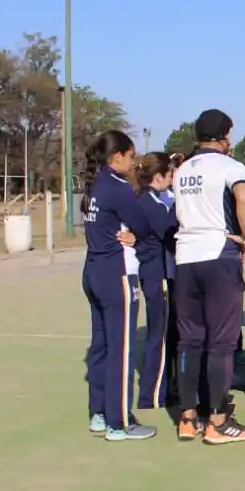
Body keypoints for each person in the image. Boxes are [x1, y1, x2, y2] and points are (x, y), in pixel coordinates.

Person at [172, 109, 245, 445]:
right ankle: (219, 422)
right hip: (218, 253)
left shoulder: (182, 170)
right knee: (221, 342)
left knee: (189, 340)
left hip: (186, 257)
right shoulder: (230, 166)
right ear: (224, 136)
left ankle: (188, 417)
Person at [81, 130, 155, 441]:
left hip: (93, 273)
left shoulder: (96, 185)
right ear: (117, 157)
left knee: (100, 346)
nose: (134, 161)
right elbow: (143, 223)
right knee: (121, 350)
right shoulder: (119, 188)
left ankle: (99, 414)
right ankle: (119, 422)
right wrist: (137, 235)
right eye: (131, 155)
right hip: (117, 275)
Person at [134, 152, 178, 412]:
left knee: (166, 333)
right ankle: (151, 396)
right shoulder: (151, 203)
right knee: (159, 336)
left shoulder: (147, 199)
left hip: (156, 272)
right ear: (159, 176)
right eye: (170, 175)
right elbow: (170, 235)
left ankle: (164, 387)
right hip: (156, 273)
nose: (173, 180)